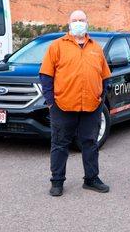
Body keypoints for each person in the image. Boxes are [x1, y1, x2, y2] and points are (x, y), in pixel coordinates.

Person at [39, 10, 111, 196]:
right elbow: (46, 76)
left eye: (82, 20)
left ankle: (91, 179)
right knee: (60, 144)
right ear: (69, 24)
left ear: (87, 23)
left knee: (90, 143)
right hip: (62, 106)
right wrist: (50, 102)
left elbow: (105, 77)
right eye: (75, 20)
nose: (79, 23)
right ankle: (57, 182)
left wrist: (100, 99)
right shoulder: (57, 46)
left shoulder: (96, 48)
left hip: (91, 106)